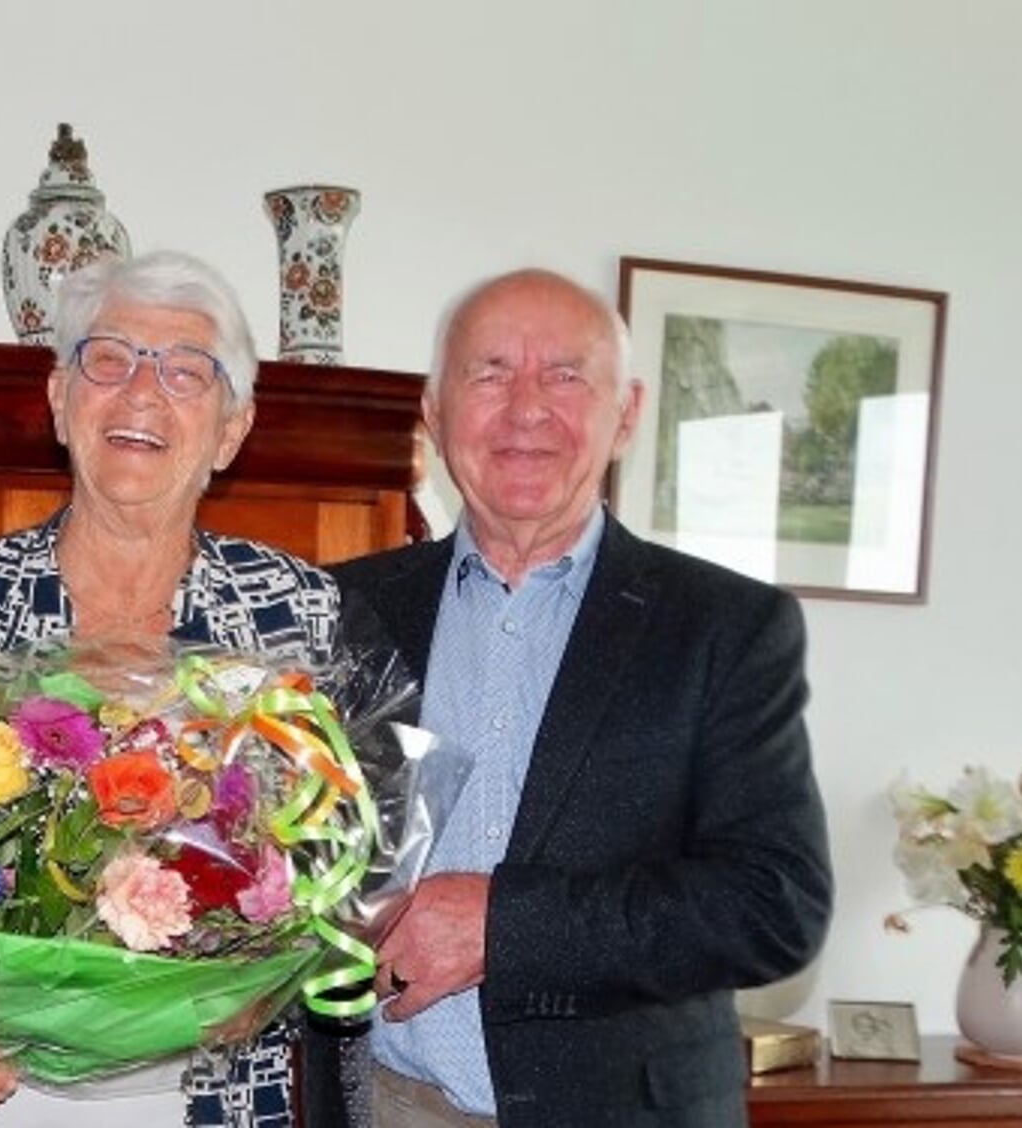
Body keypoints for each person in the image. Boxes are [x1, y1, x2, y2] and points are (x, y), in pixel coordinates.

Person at [0, 250, 339, 1127]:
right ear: (60, 400)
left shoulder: (293, 611)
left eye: (184, 372)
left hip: (207, 1090)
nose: (140, 393)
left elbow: (336, 878)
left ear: (231, 430)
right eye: (110, 358)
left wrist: (277, 986)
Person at [327, 269, 833, 1127]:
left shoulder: (725, 626)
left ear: (626, 413)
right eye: (488, 373)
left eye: (565, 375)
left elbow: (774, 903)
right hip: (379, 1104)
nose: (526, 408)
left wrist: (504, 927)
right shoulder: (338, 608)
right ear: (434, 411)